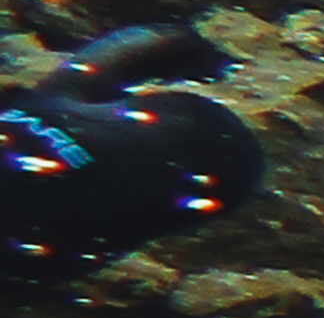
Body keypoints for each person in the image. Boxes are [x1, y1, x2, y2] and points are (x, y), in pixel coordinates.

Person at [0, 22, 265, 290]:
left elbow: (130, 44)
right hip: (37, 257)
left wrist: (193, 42)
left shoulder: (51, 104)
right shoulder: (93, 227)